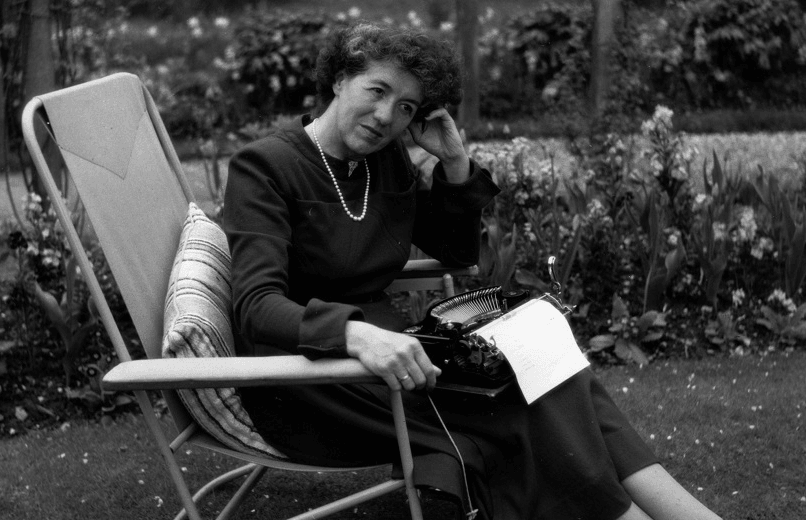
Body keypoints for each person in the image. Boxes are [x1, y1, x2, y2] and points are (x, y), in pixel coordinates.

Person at [223, 22, 723, 520]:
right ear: (338, 80)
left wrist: (456, 163)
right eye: (377, 90)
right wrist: (356, 335)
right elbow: (256, 306)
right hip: (312, 379)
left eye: (406, 108)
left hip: (400, 356)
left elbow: (455, 250)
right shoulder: (266, 166)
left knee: (553, 368)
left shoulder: (383, 160)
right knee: (522, 404)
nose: (385, 117)